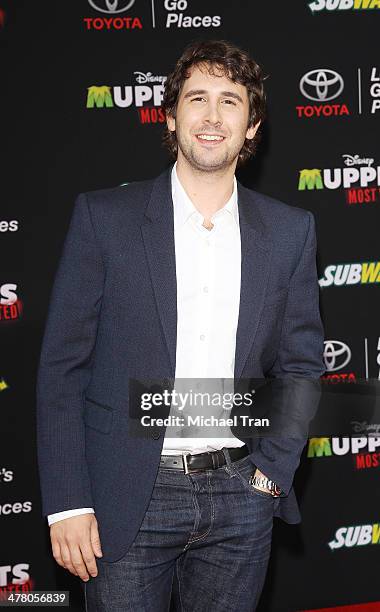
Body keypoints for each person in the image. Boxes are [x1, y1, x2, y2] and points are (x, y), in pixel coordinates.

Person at [36, 40, 325, 611]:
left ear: (252, 125)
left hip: (242, 494)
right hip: (126, 497)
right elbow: (62, 368)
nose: (212, 117)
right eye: (197, 99)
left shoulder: (290, 232)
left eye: (230, 101)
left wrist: (271, 471)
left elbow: (301, 365)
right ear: (171, 118)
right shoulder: (105, 219)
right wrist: (68, 502)